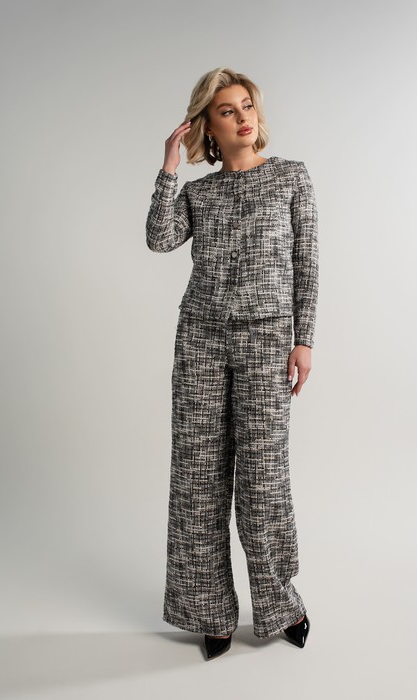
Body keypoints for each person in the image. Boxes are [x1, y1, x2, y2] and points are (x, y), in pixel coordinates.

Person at [145, 67, 319, 660]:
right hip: (200, 338)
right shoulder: (199, 193)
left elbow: (306, 263)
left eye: (247, 105)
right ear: (208, 126)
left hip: (267, 341)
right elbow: (159, 238)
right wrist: (169, 168)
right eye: (227, 110)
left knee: (263, 476)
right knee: (198, 477)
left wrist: (304, 339)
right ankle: (209, 610)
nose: (243, 117)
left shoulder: (291, 177)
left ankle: (280, 602)